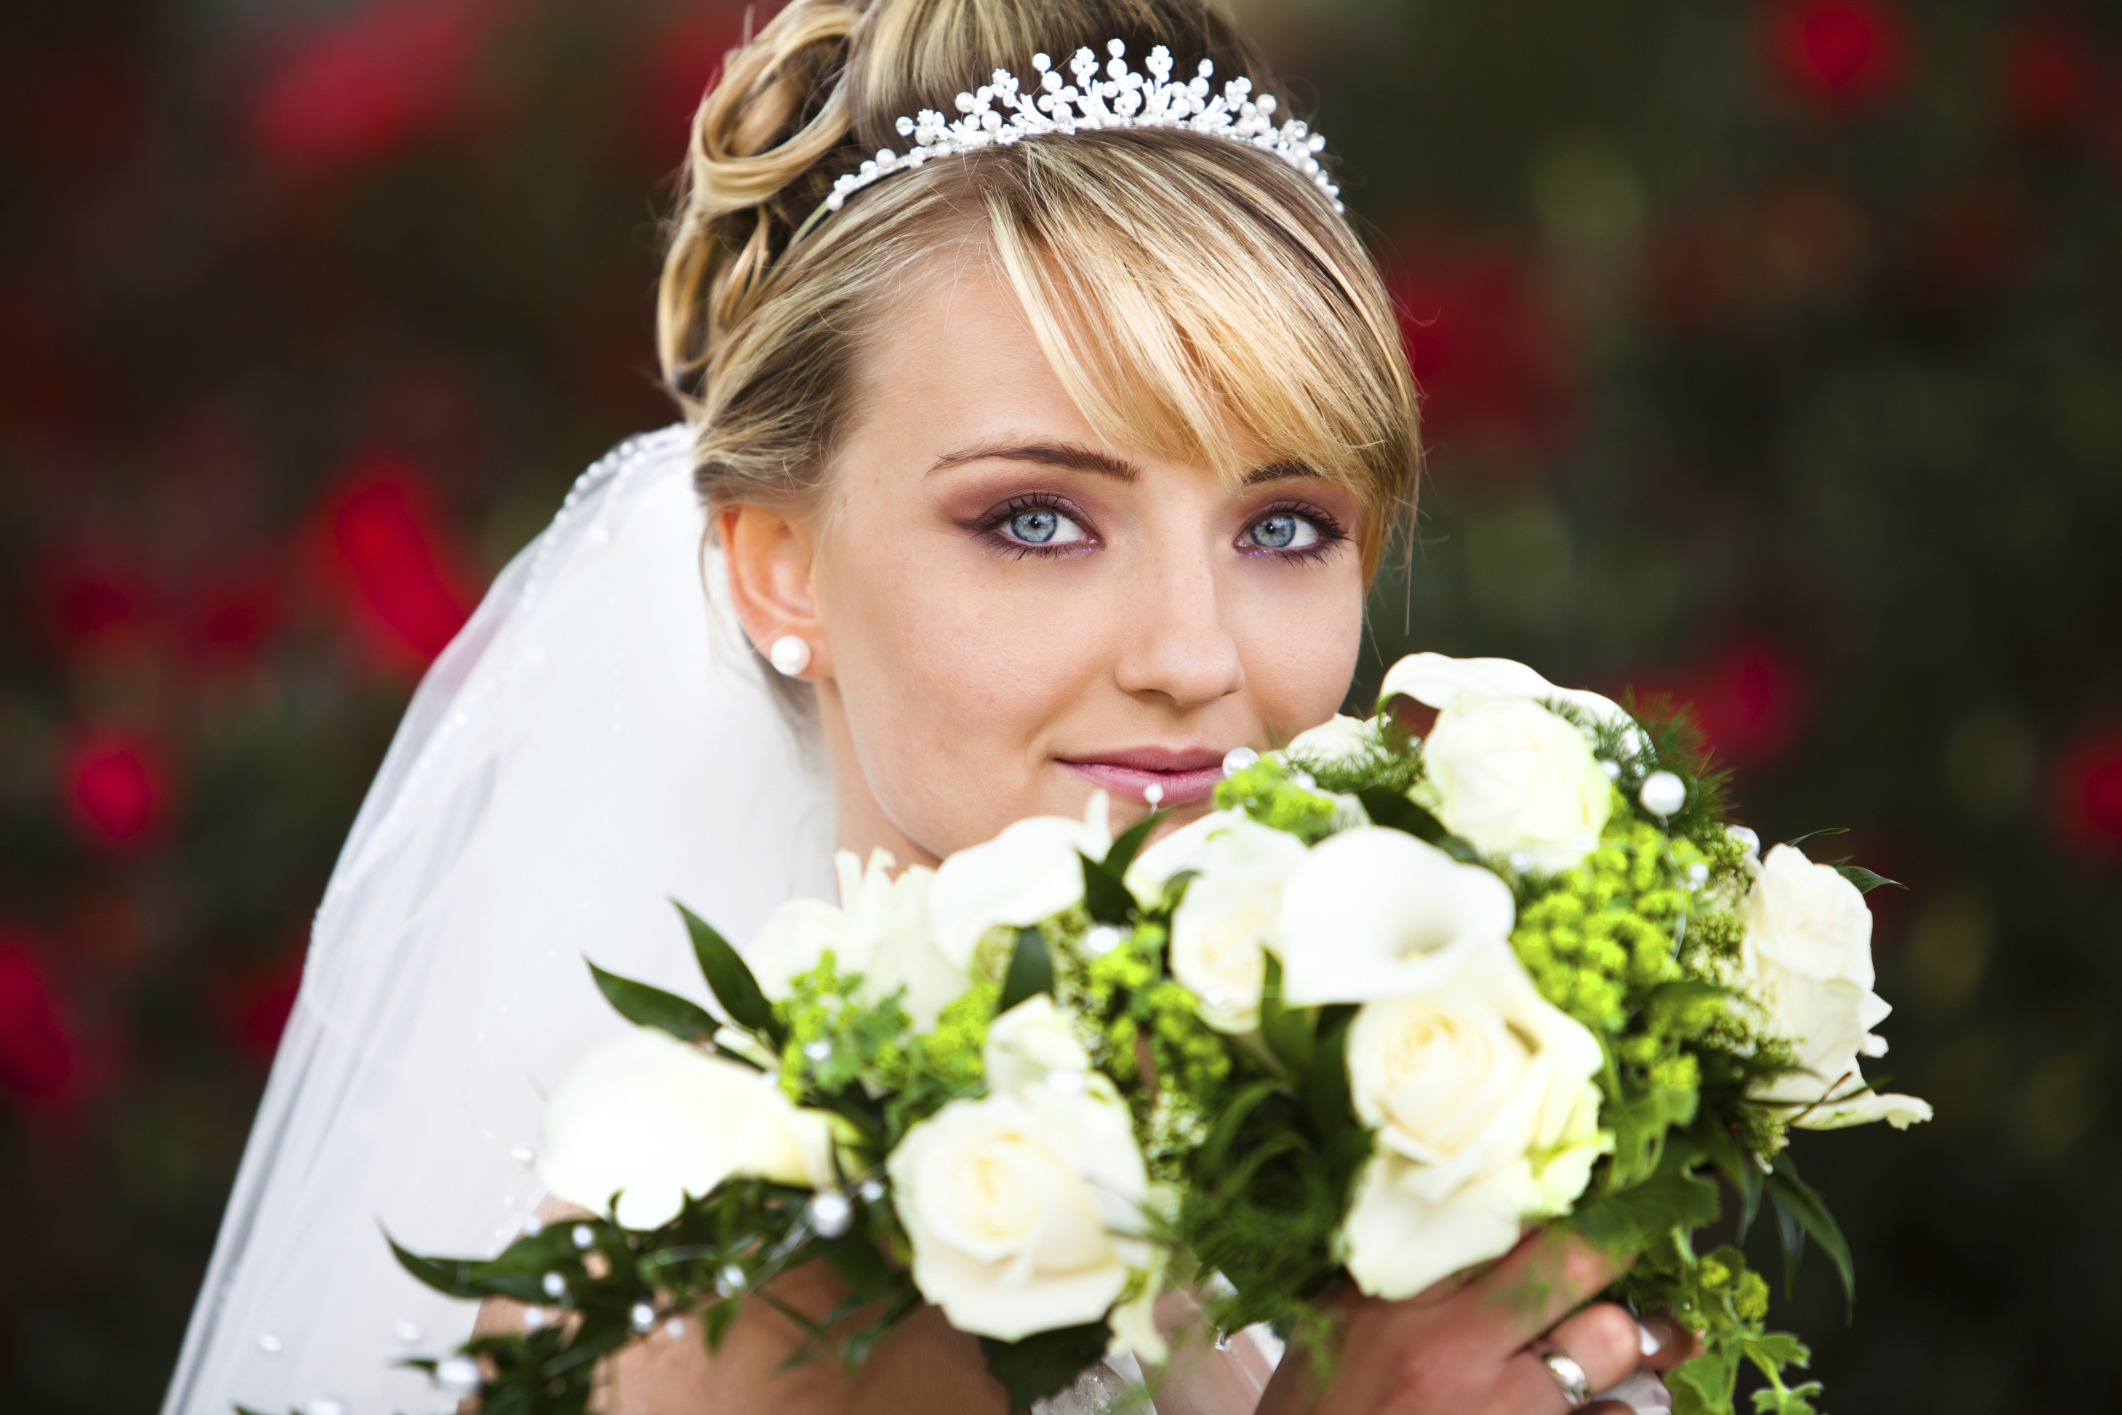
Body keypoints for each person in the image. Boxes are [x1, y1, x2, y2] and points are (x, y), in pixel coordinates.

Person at [163, 1, 1692, 1411]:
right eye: (1035, 518)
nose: (1192, 654)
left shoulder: (1357, 1186)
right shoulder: (718, 1303)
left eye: (1282, 526)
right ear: (780, 571)